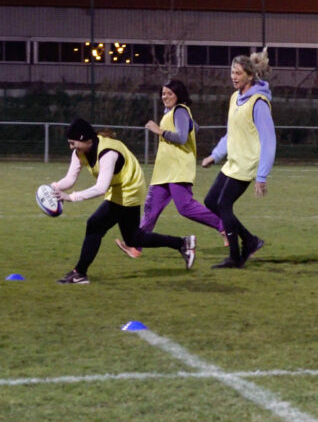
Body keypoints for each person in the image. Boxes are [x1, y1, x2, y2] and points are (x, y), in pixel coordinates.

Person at [51, 118, 195, 284]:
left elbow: (100, 188)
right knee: (133, 238)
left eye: (73, 143)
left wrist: (71, 197)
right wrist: (52, 187)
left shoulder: (107, 153)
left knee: (95, 225)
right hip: (117, 186)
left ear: (86, 139)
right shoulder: (80, 152)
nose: (71, 147)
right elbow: (70, 179)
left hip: (130, 188)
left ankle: (80, 273)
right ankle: (182, 243)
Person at [114, 79, 227, 259]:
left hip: (177, 170)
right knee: (151, 210)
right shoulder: (172, 112)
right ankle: (135, 247)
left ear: (178, 95)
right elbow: (195, 128)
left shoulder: (180, 110)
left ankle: (224, 226)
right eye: (163, 93)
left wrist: (160, 131)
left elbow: (182, 138)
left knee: (185, 207)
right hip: (164, 171)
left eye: (169, 93)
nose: (164, 96)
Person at [201, 50, 276, 269]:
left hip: (247, 165)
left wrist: (262, 176)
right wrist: (215, 155)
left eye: (238, 73)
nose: (234, 77)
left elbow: (269, 142)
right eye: (232, 72)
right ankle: (250, 240)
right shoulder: (235, 98)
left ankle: (235, 257)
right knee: (210, 202)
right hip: (232, 163)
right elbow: (230, 134)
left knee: (224, 204)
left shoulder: (259, 103)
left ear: (250, 76)